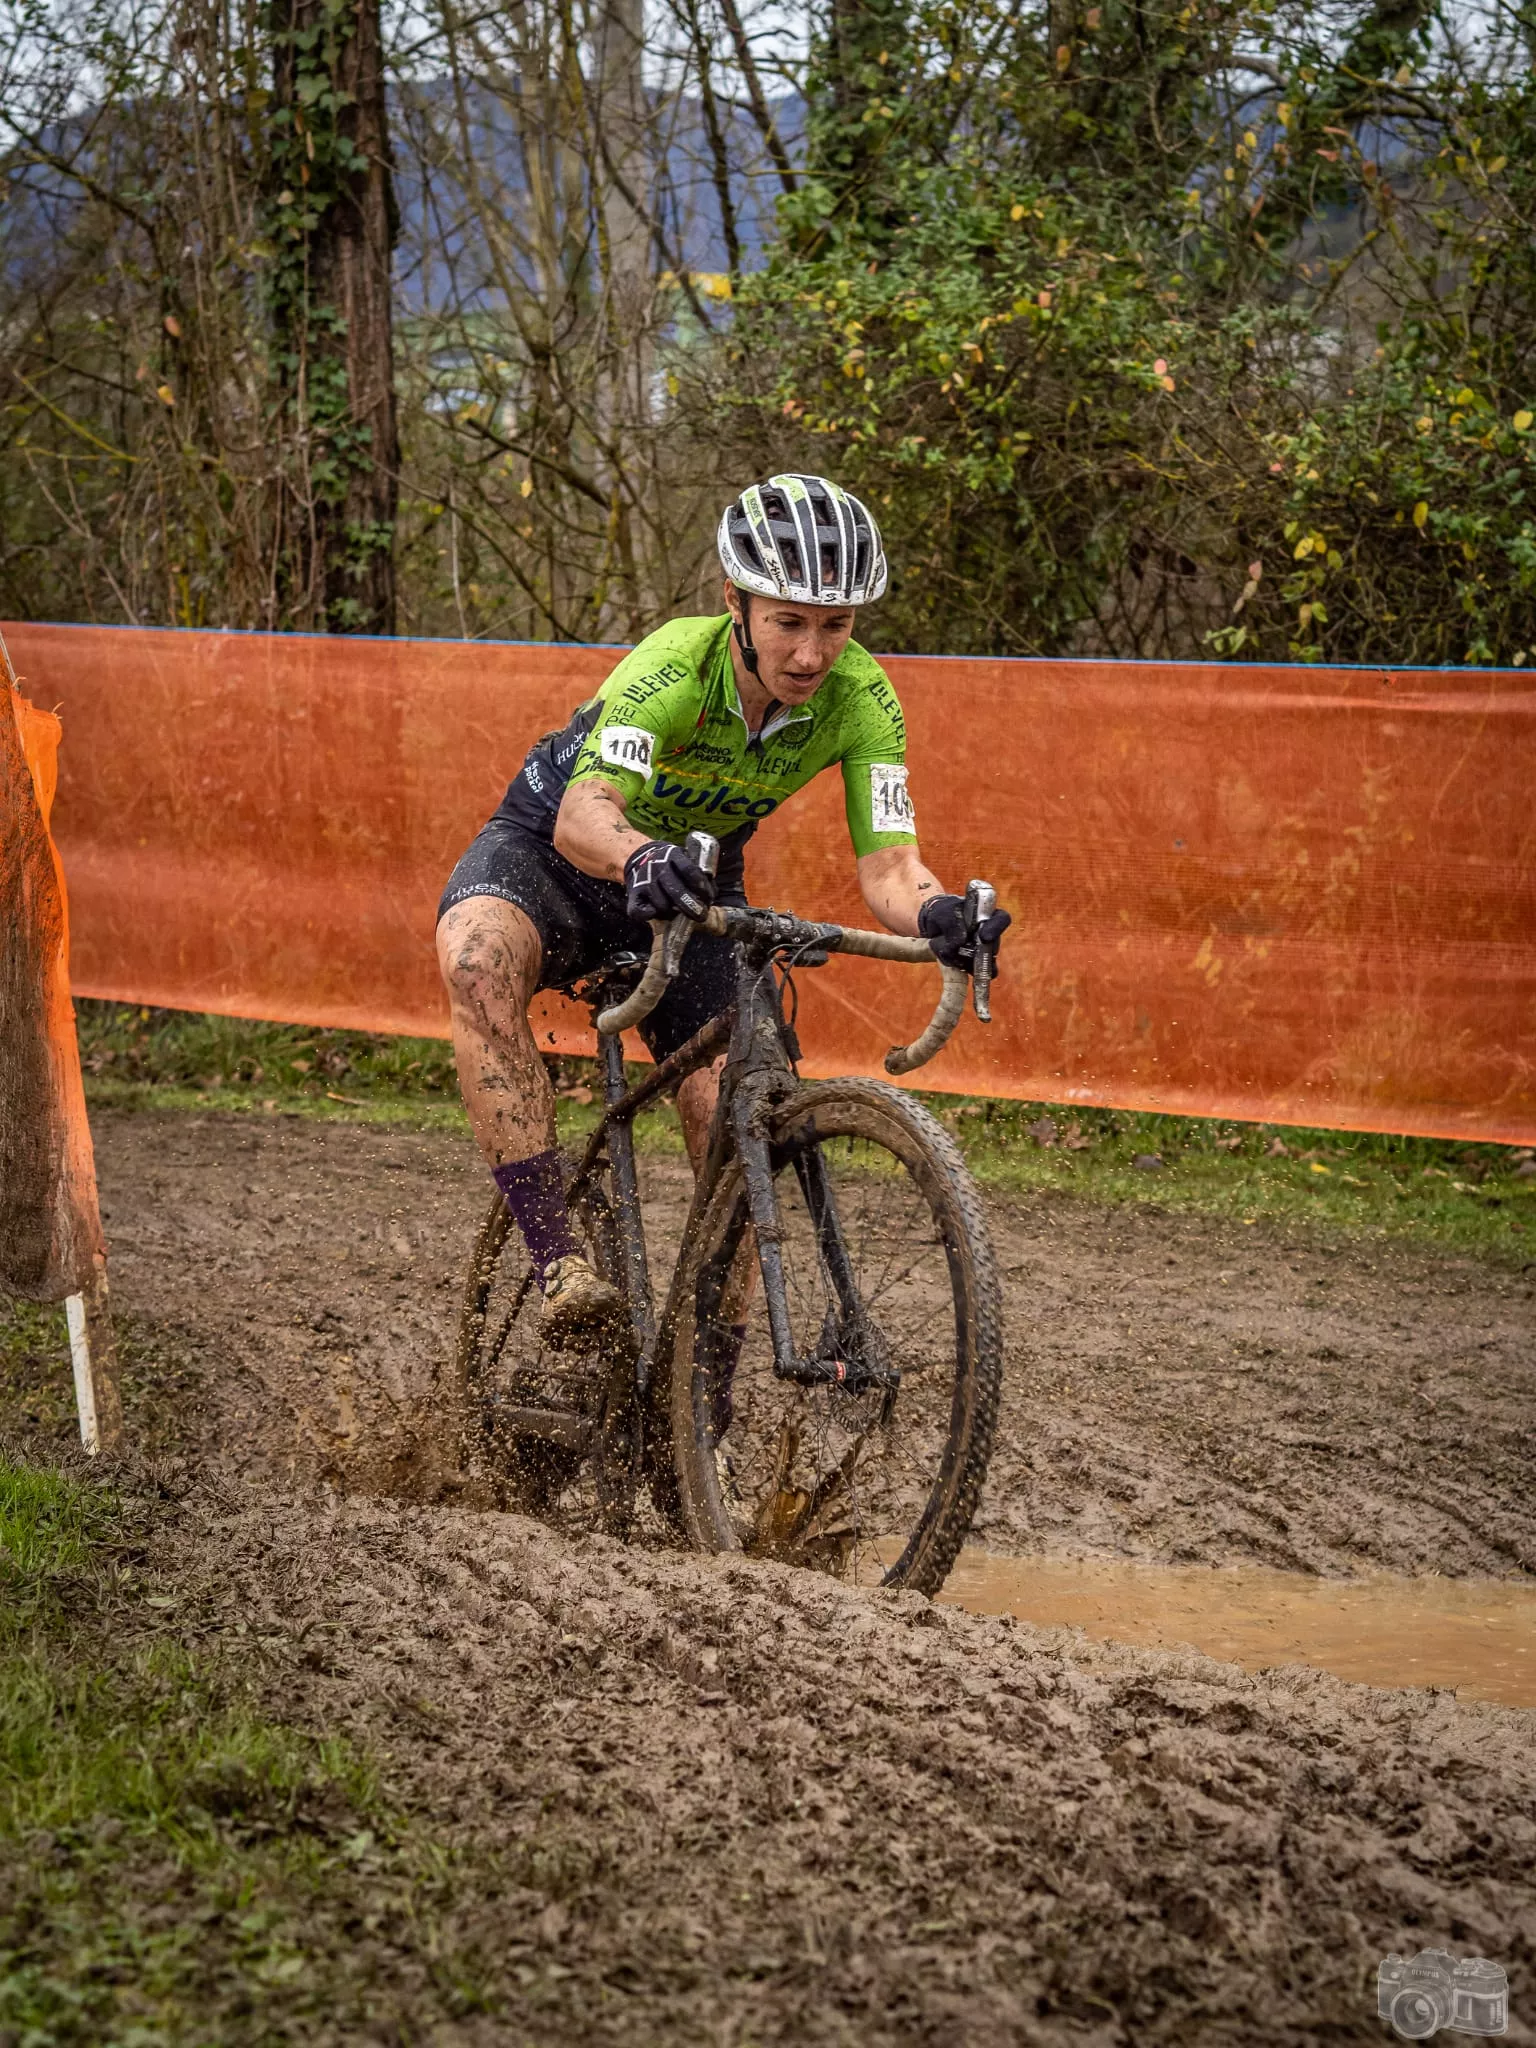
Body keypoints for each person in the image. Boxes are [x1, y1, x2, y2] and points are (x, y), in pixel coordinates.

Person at [436, 473, 1009, 1347]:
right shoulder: (675, 665)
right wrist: (639, 856)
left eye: (836, 625)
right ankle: (558, 1264)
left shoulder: (864, 699)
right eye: (789, 622)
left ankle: (703, 1390)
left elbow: (892, 865)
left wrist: (939, 916)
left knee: (739, 1117)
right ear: (735, 604)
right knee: (476, 963)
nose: (812, 655)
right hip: (555, 852)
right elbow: (585, 812)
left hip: (694, 882)